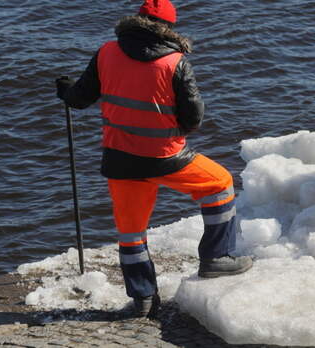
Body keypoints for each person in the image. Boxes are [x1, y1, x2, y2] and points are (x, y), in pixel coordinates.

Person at [55, 0, 253, 317]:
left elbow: (79, 99)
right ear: (170, 28)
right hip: (167, 158)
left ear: (136, 20)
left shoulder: (106, 52)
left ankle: (144, 300)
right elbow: (194, 119)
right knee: (220, 185)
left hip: (120, 160)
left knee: (131, 233)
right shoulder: (175, 62)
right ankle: (217, 258)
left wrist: (65, 90)